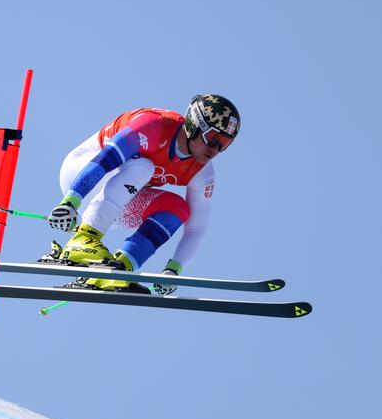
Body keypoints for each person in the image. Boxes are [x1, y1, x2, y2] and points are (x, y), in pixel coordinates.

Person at [46, 94, 240, 295]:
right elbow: (103, 161)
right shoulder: (154, 125)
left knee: (178, 208)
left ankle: (117, 271)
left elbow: (196, 229)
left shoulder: (202, 172)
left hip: (118, 200)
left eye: (224, 144)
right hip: (81, 175)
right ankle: (82, 239)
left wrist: (174, 269)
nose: (215, 150)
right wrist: (70, 202)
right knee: (143, 166)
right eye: (213, 139)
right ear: (194, 125)